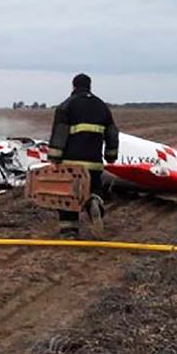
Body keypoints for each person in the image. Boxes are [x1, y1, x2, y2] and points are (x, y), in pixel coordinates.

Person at [48, 74, 119, 239]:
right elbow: (112, 134)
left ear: (73, 86)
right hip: (94, 163)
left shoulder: (66, 106)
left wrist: (54, 158)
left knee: (68, 196)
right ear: (90, 86)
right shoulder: (102, 107)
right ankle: (94, 203)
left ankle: (69, 232)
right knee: (94, 189)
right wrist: (110, 156)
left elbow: (60, 133)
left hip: (71, 164)